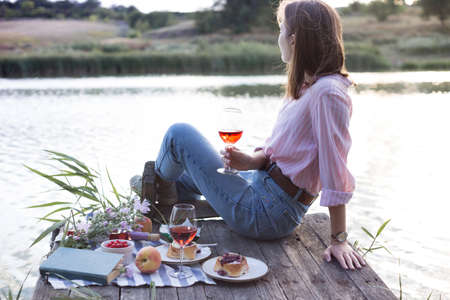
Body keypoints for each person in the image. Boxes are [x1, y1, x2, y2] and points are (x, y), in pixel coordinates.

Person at [141, 0, 365, 270]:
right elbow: (284, 152)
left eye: (281, 29)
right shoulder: (308, 87)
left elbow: (334, 167)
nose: (278, 37)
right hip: (260, 185)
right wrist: (250, 160)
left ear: (293, 40)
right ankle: (161, 190)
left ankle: (155, 190)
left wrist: (338, 239)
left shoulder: (327, 92)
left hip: (267, 212)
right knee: (185, 179)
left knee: (179, 134)